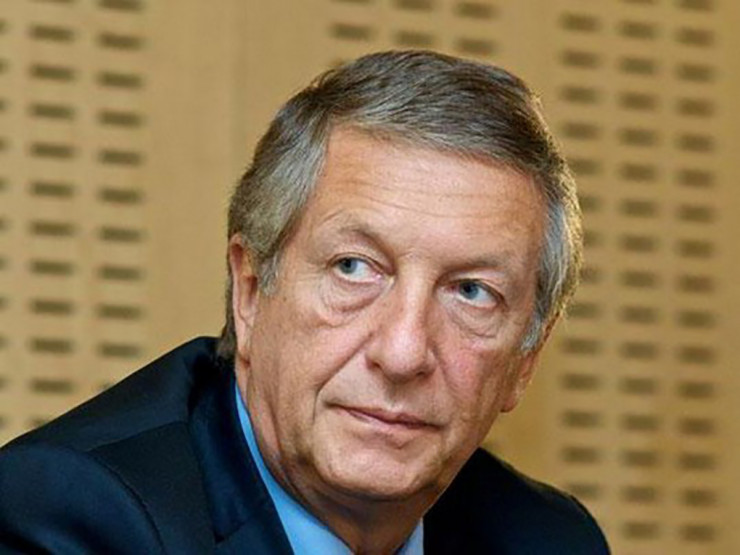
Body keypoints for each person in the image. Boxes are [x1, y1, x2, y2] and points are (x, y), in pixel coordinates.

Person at [0, 50, 610, 554]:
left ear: (526, 360)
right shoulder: (68, 518)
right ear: (250, 290)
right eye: (354, 268)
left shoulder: (547, 540)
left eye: (471, 292)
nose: (403, 353)